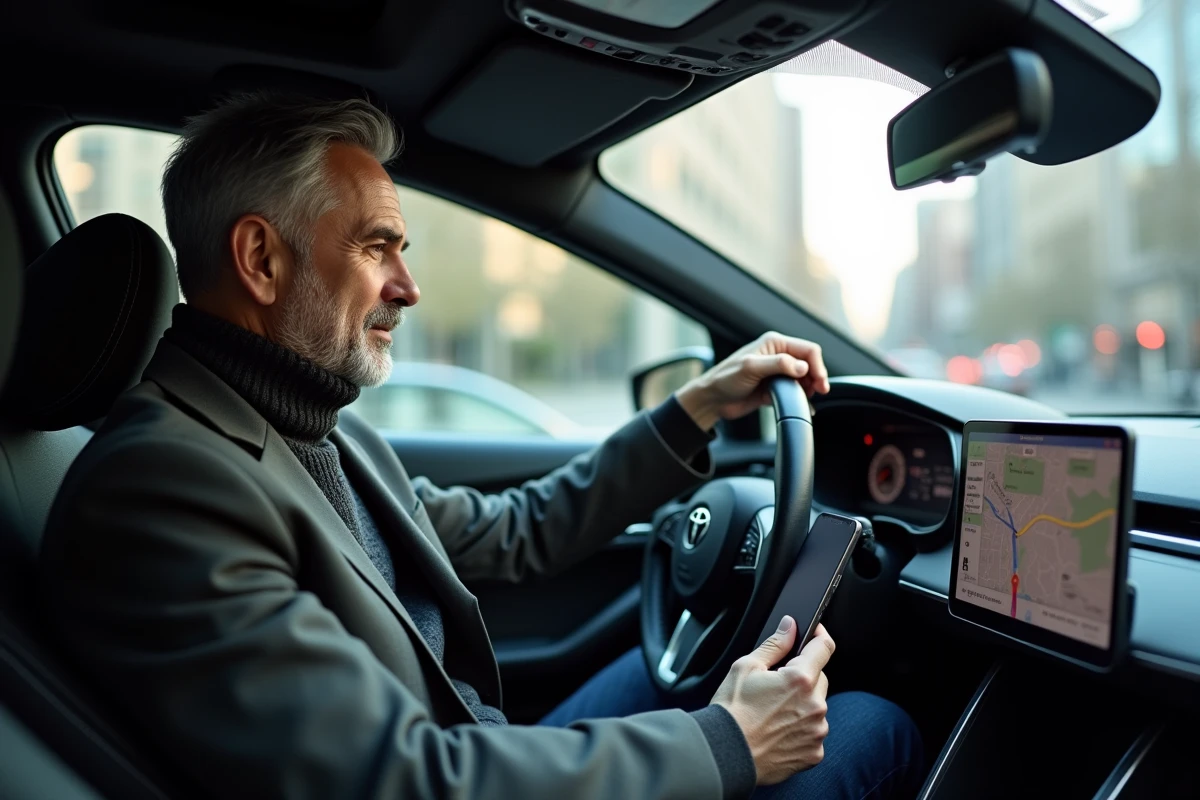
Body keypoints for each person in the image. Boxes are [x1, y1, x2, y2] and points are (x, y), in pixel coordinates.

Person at [39, 93, 923, 800]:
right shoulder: (159, 487)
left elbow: (519, 529)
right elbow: (390, 779)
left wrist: (691, 407)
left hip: (478, 752)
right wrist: (728, 746)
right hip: (449, 774)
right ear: (262, 260)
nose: (409, 286)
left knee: (676, 671)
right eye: (378, 246)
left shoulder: (307, 430)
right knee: (872, 725)